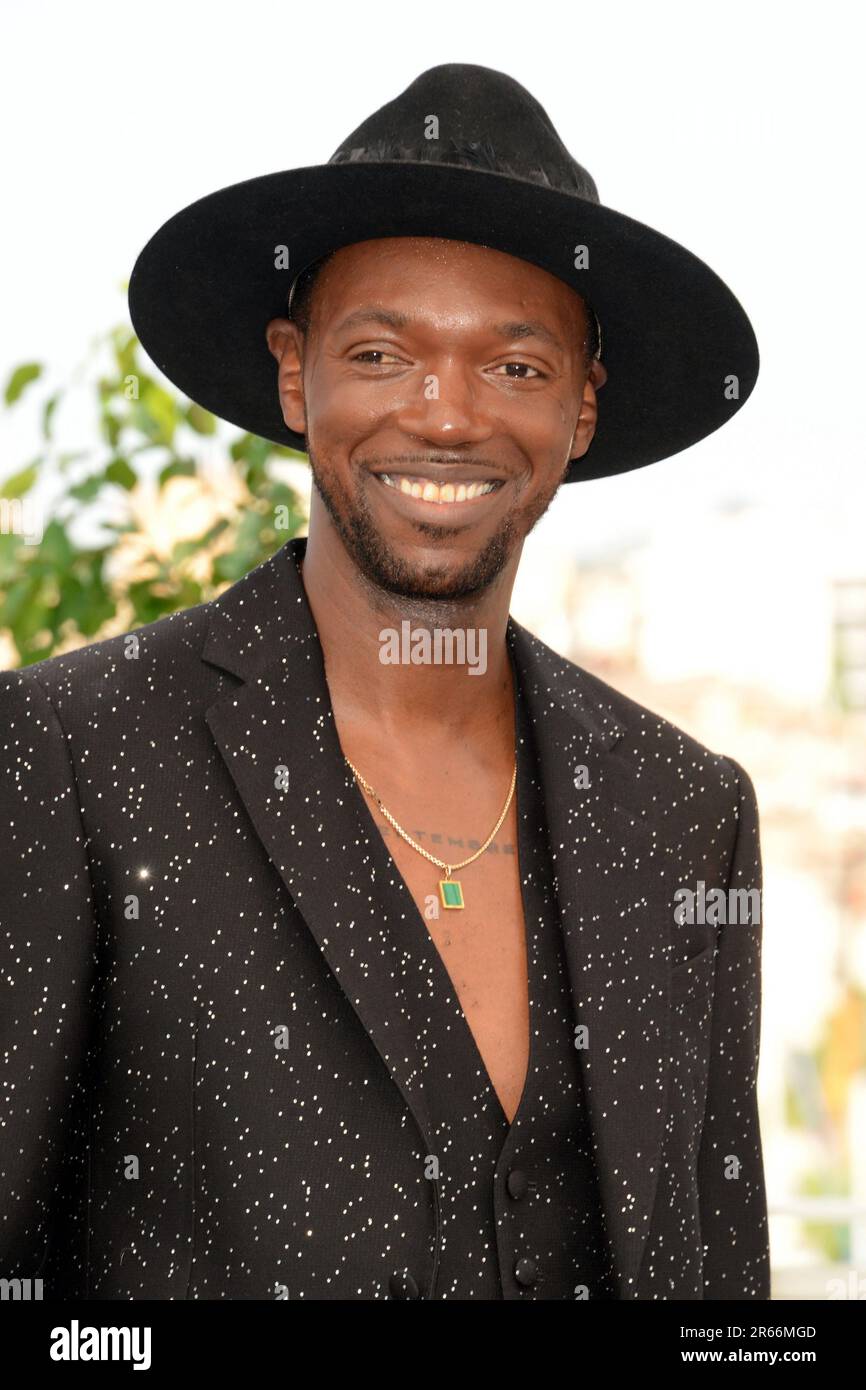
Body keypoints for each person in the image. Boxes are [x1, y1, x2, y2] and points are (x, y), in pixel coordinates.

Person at [0, 63, 769, 1300]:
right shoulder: (70, 752)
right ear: (296, 376)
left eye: (515, 367)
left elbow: (719, 1282)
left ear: (581, 407)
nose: (446, 414)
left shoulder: (687, 812)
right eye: (380, 351)